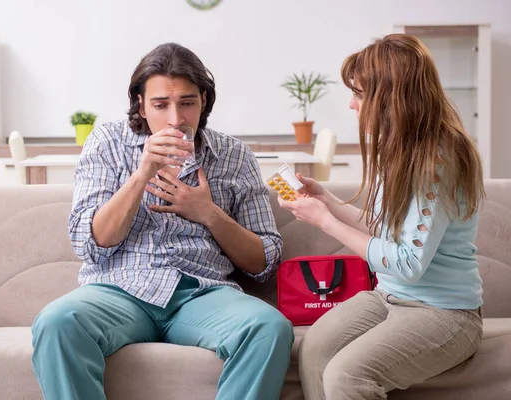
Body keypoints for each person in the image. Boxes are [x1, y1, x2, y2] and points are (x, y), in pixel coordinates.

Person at [31, 42, 293, 400]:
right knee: (57, 321)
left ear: (204, 100)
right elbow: (90, 242)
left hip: (202, 293)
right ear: (140, 103)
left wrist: (208, 213)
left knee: (269, 327)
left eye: (187, 102)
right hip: (120, 291)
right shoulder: (107, 142)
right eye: (160, 105)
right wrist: (142, 174)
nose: (175, 119)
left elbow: (265, 262)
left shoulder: (234, 155)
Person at [279, 33, 485, 399]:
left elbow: (407, 263)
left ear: (392, 97)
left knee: (345, 376)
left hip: (446, 313)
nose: (351, 105)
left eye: (359, 94)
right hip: (389, 296)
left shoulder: (439, 158)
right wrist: (327, 202)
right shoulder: (399, 147)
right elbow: (384, 228)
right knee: (312, 350)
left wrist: (326, 222)